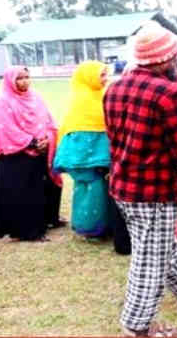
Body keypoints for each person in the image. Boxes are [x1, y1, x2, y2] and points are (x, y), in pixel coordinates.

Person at [103, 21, 177, 337]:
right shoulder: (170, 92)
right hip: (153, 191)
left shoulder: (114, 88)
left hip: (122, 186)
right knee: (149, 258)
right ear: (163, 59)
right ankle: (137, 325)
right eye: (175, 56)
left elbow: (115, 139)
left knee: (159, 244)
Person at [0, 67, 62, 242]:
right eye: (19, 78)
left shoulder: (35, 97)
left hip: (40, 150)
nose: (24, 81)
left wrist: (46, 139)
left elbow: (47, 120)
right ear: (10, 81)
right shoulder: (3, 101)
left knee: (41, 189)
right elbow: (7, 128)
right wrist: (32, 142)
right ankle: (27, 231)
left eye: (27, 77)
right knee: (23, 193)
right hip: (16, 155)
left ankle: (45, 222)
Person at [54, 61, 115, 238]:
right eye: (101, 75)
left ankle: (99, 226)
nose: (105, 79)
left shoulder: (100, 96)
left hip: (97, 157)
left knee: (95, 189)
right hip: (86, 158)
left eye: (105, 74)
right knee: (91, 189)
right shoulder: (83, 100)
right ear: (88, 78)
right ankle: (90, 228)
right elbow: (79, 131)